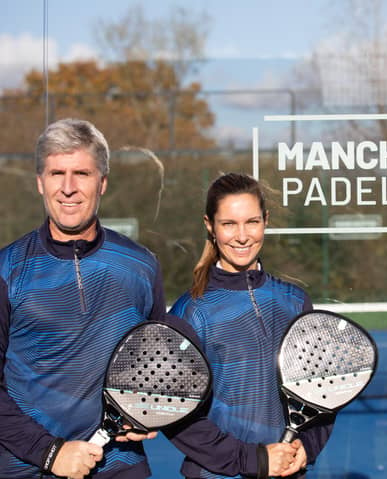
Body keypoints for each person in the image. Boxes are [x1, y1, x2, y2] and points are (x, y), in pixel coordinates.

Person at [0, 118, 166, 478]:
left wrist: (147, 411)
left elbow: (158, 364)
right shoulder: (7, 269)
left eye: (82, 174)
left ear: (102, 183)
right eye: (57, 173)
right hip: (26, 468)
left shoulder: (142, 266)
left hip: (120, 466)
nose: (69, 188)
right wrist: (49, 453)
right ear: (40, 182)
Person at [166, 172, 333, 479]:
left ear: (265, 221)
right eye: (229, 224)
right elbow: (177, 417)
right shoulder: (190, 311)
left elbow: (321, 393)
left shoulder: (295, 301)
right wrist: (253, 460)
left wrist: (307, 448)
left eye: (252, 222)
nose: (242, 236)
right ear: (210, 226)